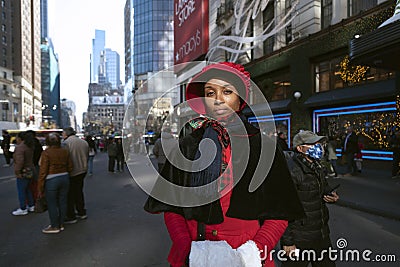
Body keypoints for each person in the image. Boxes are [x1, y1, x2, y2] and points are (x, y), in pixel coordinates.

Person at [144, 62, 304, 267]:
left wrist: (253, 251)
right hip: (193, 256)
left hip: (247, 257)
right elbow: (172, 208)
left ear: (240, 100)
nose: (218, 100)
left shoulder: (264, 147)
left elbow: (279, 213)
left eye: (227, 91)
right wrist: (188, 250)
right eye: (210, 92)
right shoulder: (187, 145)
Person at [281, 130, 339, 267]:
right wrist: (288, 242)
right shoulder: (292, 171)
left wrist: (329, 195)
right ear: (300, 148)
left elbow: (320, 188)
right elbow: (283, 208)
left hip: (321, 234)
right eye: (313, 144)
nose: (319, 147)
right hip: (300, 237)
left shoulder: (316, 165)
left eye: (319, 143)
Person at [37, 133, 73, 234]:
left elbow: (43, 171)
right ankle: (61, 223)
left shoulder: (46, 152)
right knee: (63, 201)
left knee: (52, 203)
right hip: (65, 177)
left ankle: (54, 225)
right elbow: (70, 166)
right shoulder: (64, 151)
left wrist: (40, 186)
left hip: (51, 178)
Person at [62, 127, 89, 223]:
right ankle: (81, 212)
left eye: (63, 133)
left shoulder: (66, 143)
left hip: (72, 171)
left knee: (70, 194)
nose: (62, 135)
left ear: (66, 134)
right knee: (79, 192)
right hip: (82, 170)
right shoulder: (83, 142)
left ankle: (71, 215)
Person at [11, 132, 35, 215]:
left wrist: (17, 171)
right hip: (30, 170)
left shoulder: (20, 148)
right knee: (28, 189)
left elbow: (20, 161)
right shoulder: (29, 146)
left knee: (21, 190)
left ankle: (23, 208)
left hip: (23, 171)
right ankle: (31, 205)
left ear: (20, 138)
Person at [25, 130, 43, 201]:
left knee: (29, 184)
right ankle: (37, 198)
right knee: (36, 183)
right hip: (36, 165)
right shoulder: (37, 143)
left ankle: (31, 200)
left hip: (30, 166)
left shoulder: (27, 144)